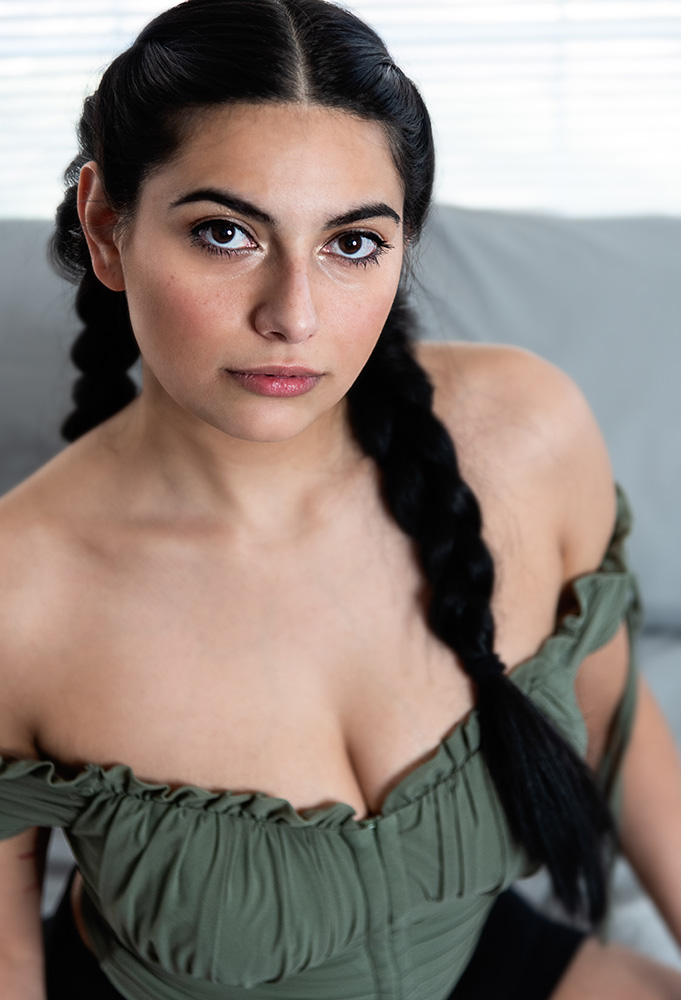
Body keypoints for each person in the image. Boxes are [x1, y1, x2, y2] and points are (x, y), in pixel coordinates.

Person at [1, 0, 681, 997]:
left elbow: (617, 718)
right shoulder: (20, 598)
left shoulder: (529, 434)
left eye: (353, 243)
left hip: (475, 958)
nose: (295, 315)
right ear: (108, 228)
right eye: (226, 233)